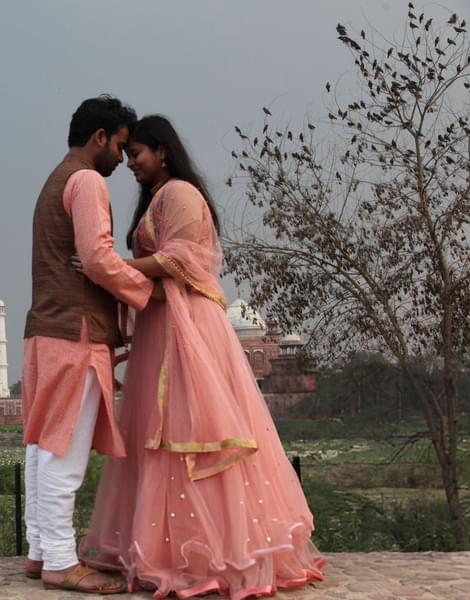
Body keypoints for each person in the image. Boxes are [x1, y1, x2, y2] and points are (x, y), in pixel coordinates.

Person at [78, 115, 325, 599]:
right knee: (161, 436)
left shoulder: (180, 194)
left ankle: (217, 555)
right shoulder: (160, 197)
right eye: (127, 155)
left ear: (163, 151)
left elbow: (182, 260)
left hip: (186, 326)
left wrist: (112, 268)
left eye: (138, 154)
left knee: (193, 435)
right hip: (163, 324)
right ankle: (169, 553)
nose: (131, 163)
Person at [22, 96, 159, 593]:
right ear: (100, 138)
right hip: (75, 336)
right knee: (64, 450)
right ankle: (60, 560)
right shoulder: (85, 181)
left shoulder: (54, 179)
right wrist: (150, 294)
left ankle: (41, 551)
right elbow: (98, 259)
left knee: (42, 448)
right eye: (121, 146)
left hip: (46, 331)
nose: (123, 161)